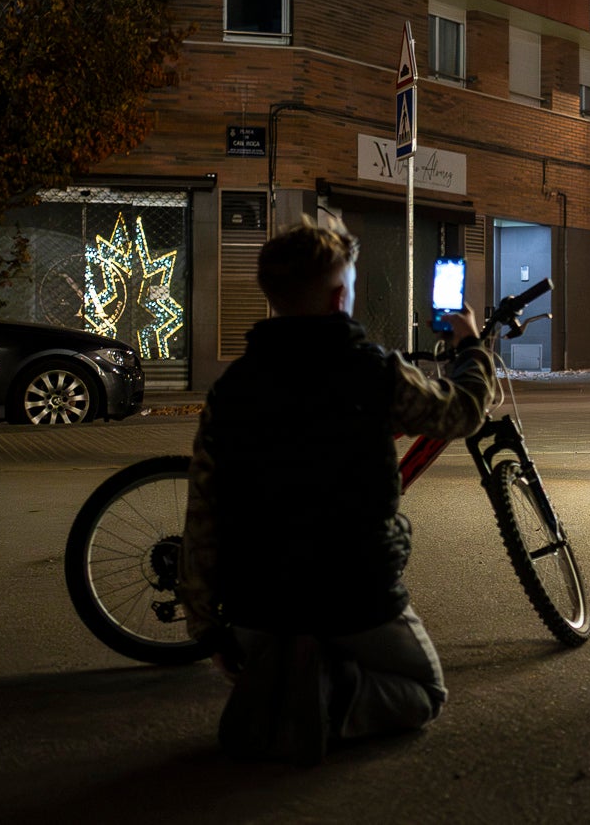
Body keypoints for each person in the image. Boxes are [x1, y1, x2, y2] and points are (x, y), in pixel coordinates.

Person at [178, 215, 499, 763]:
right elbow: (462, 413)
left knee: (274, 636)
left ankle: (288, 670)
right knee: (425, 694)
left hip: (258, 600)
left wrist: (208, 628)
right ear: (338, 299)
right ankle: (328, 692)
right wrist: (471, 348)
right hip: (355, 593)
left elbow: (204, 512)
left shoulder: (231, 389)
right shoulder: (372, 371)